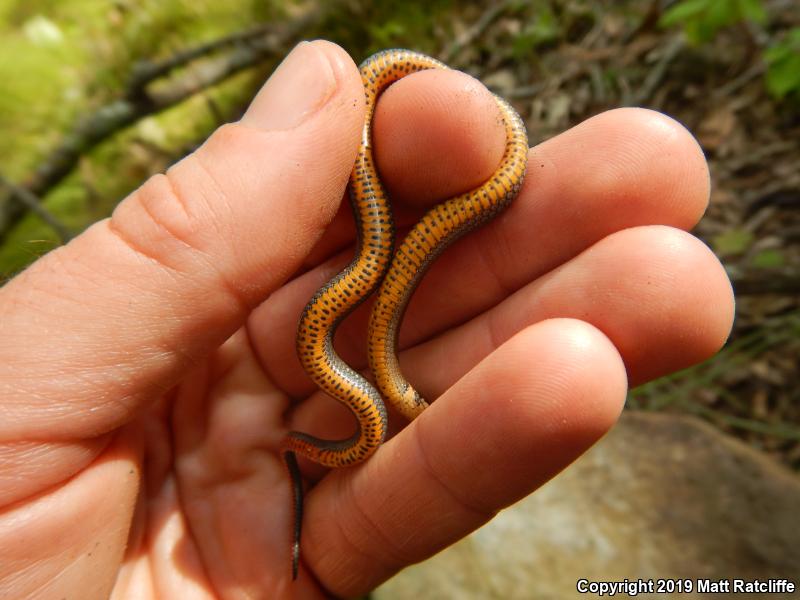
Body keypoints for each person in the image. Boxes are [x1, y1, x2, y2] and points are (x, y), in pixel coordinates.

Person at [0, 40, 733, 599]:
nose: (408, 408)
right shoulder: (360, 388)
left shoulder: (363, 380)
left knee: (444, 181)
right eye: (406, 404)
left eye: (405, 405)